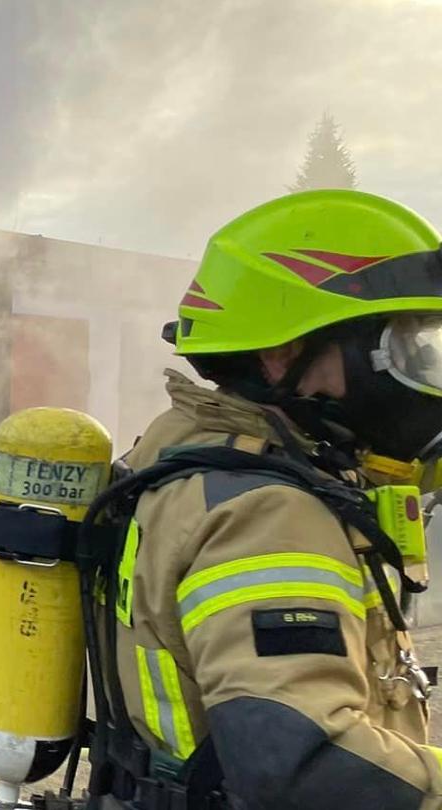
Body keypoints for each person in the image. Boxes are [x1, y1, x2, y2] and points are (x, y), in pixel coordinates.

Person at [88, 189, 442, 809]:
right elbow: (298, 763)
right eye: (405, 348)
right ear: (283, 355)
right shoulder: (266, 511)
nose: (424, 381)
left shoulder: (183, 447)